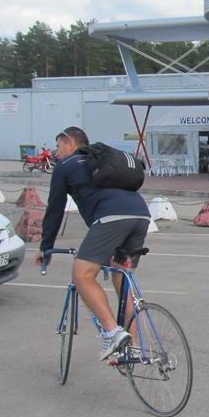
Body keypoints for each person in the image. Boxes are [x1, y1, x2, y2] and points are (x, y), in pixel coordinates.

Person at [35, 127, 151, 360]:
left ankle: (112, 333)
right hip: (141, 215)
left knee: (82, 275)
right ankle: (134, 346)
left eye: (58, 146)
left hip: (111, 218)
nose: (57, 152)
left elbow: (55, 209)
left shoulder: (65, 166)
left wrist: (46, 247)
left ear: (70, 142)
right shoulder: (104, 162)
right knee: (122, 277)